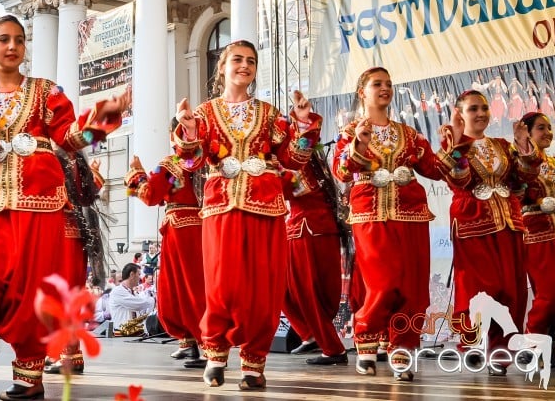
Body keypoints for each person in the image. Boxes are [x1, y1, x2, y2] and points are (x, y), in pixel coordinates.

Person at [0, 14, 128, 401]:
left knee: (32, 295)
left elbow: (71, 139)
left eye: (19, 40)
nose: (12, 47)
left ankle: (29, 378)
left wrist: (106, 115)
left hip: (43, 207)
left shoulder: (46, 92)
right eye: (4, 39)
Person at [173, 39, 320, 390]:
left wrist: (302, 127)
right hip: (221, 206)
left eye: (251, 61)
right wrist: (189, 133)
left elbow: (293, 161)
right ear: (222, 66)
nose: (244, 65)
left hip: (265, 207)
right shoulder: (205, 114)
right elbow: (190, 163)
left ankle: (254, 362)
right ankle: (216, 352)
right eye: (237, 59)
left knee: (263, 289)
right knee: (223, 285)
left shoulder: (269, 114)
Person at [332, 67, 443, 381]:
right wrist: (360, 147)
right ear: (362, 93)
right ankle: (366, 340)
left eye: (389, 84)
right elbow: (341, 172)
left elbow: (434, 169)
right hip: (371, 213)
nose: (385, 88)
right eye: (377, 84)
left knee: (413, 287)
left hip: (411, 214)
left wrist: (457, 145)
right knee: (383, 282)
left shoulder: (408, 134)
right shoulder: (351, 131)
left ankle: (402, 347)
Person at [436, 90, 535, 375]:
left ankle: (500, 354)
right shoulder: (453, 143)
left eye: (484, 108)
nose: (480, 114)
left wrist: (523, 145)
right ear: (459, 113)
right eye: (472, 109)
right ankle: (471, 344)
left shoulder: (502, 145)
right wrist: (460, 144)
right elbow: (460, 180)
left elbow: (524, 179)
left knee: (511, 290)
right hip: (472, 224)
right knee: (480, 289)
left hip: (509, 223)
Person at [126, 152, 206, 368]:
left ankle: (203, 344)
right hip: (203, 226)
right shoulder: (205, 159)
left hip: (180, 229)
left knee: (180, 287)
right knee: (195, 286)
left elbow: (150, 195)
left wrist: (137, 173)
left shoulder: (173, 163)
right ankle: (193, 340)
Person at [281, 153, 348, 366]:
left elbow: (298, 189)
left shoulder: (298, 160)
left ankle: (332, 347)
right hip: (308, 228)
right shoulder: (307, 158)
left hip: (308, 229)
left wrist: (275, 173)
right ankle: (310, 335)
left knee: (307, 292)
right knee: (281, 288)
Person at [45, 151, 107, 375]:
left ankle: (69, 355)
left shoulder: (55, 158)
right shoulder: (74, 159)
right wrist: (96, 175)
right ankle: (63, 352)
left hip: (61, 235)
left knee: (62, 297)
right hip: (74, 237)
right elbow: (89, 192)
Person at [518, 112, 555, 364]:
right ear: (527, 133)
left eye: (549, 127)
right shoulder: (520, 164)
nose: (547, 132)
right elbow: (516, 193)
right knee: (551, 293)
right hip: (538, 236)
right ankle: (532, 342)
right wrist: (536, 201)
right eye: (540, 128)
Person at [108, 263, 156, 329]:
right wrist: (154, 300)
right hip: (121, 335)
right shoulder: (117, 291)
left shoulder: (134, 293)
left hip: (134, 334)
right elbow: (137, 305)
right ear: (132, 274)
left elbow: (143, 310)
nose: (140, 278)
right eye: (138, 274)